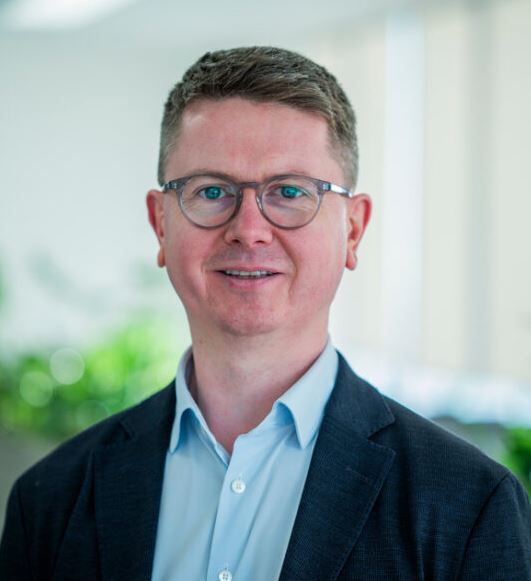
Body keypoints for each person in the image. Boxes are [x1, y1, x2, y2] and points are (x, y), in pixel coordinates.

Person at [1, 46, 530, 581]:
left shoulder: (470, 507)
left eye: (290, 192)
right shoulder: (50, 502)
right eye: (212, 191)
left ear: (352, 230)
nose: (249, 230)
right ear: (161, 225)